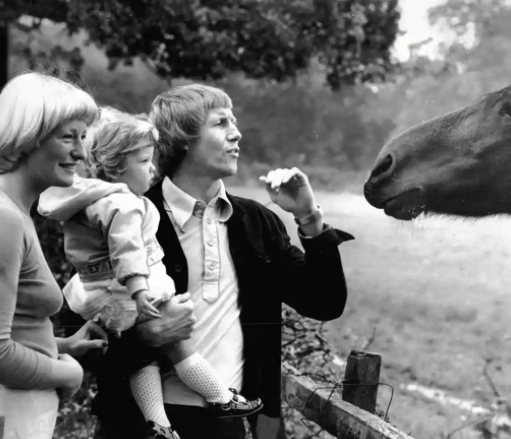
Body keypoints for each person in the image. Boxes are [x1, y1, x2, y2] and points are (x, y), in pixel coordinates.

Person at [90, 84, 354, 439]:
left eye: (234, 120)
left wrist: (309, 217)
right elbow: (92, 329)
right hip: (138, 425)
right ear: (183, 138)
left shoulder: (257, 222)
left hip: (226, 425)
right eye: (221, 122)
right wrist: (145, 337)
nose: (237, 132)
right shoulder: (128, 215)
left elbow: (324, 302)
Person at [38, 114, 263, 439]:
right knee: (178, 345)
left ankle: (159, 425)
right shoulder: (124, 204)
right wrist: (141, 292)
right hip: (130, 289)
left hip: (96, 292)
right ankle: (221, 397)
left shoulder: (84, 201)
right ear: (116, 168)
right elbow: (127, 251)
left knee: (142, 362)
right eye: (144, 161)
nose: (153, 169)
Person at [0, 72, 109, 439]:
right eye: (67, 137)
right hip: (2, 410)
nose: (80, 152)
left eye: (83, 136)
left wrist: (59, 345)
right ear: (26, 138)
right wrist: (67, 372)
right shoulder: (3, 219)